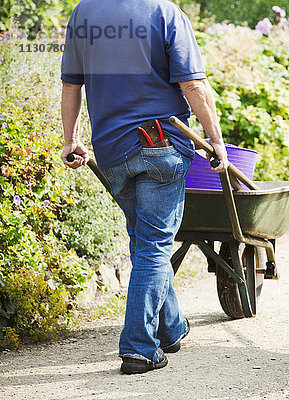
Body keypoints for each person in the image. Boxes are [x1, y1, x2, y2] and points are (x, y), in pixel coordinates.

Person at [60, 0, 228, 374]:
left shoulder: (83, 13)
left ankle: (170, 328)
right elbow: (194, 84)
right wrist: (216, 141)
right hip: (160, 145)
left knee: (143, 240)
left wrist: (70, 139)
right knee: (154, 245)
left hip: (111, 152)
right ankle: (139, 347)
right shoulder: (164, 12)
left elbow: (71, 83)